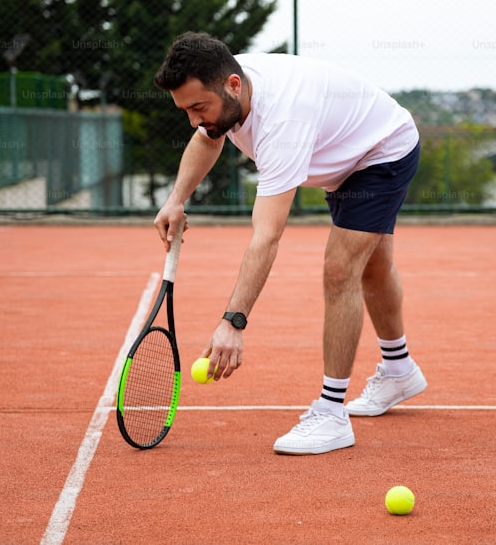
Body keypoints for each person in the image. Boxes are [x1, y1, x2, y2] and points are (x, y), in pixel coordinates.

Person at [152, 31, 427, 455]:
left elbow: (266, 236)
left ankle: (332, 415)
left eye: (198, 108)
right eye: (186, 110)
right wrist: (175, 200)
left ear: (233, 86)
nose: (193, 119)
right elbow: (209, 137)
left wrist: (233, 321)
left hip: (382, 150)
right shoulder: (225, 81)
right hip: (344, 154)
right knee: (372, 265)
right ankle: (399, 370)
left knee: (341, 270)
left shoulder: (283, 122)